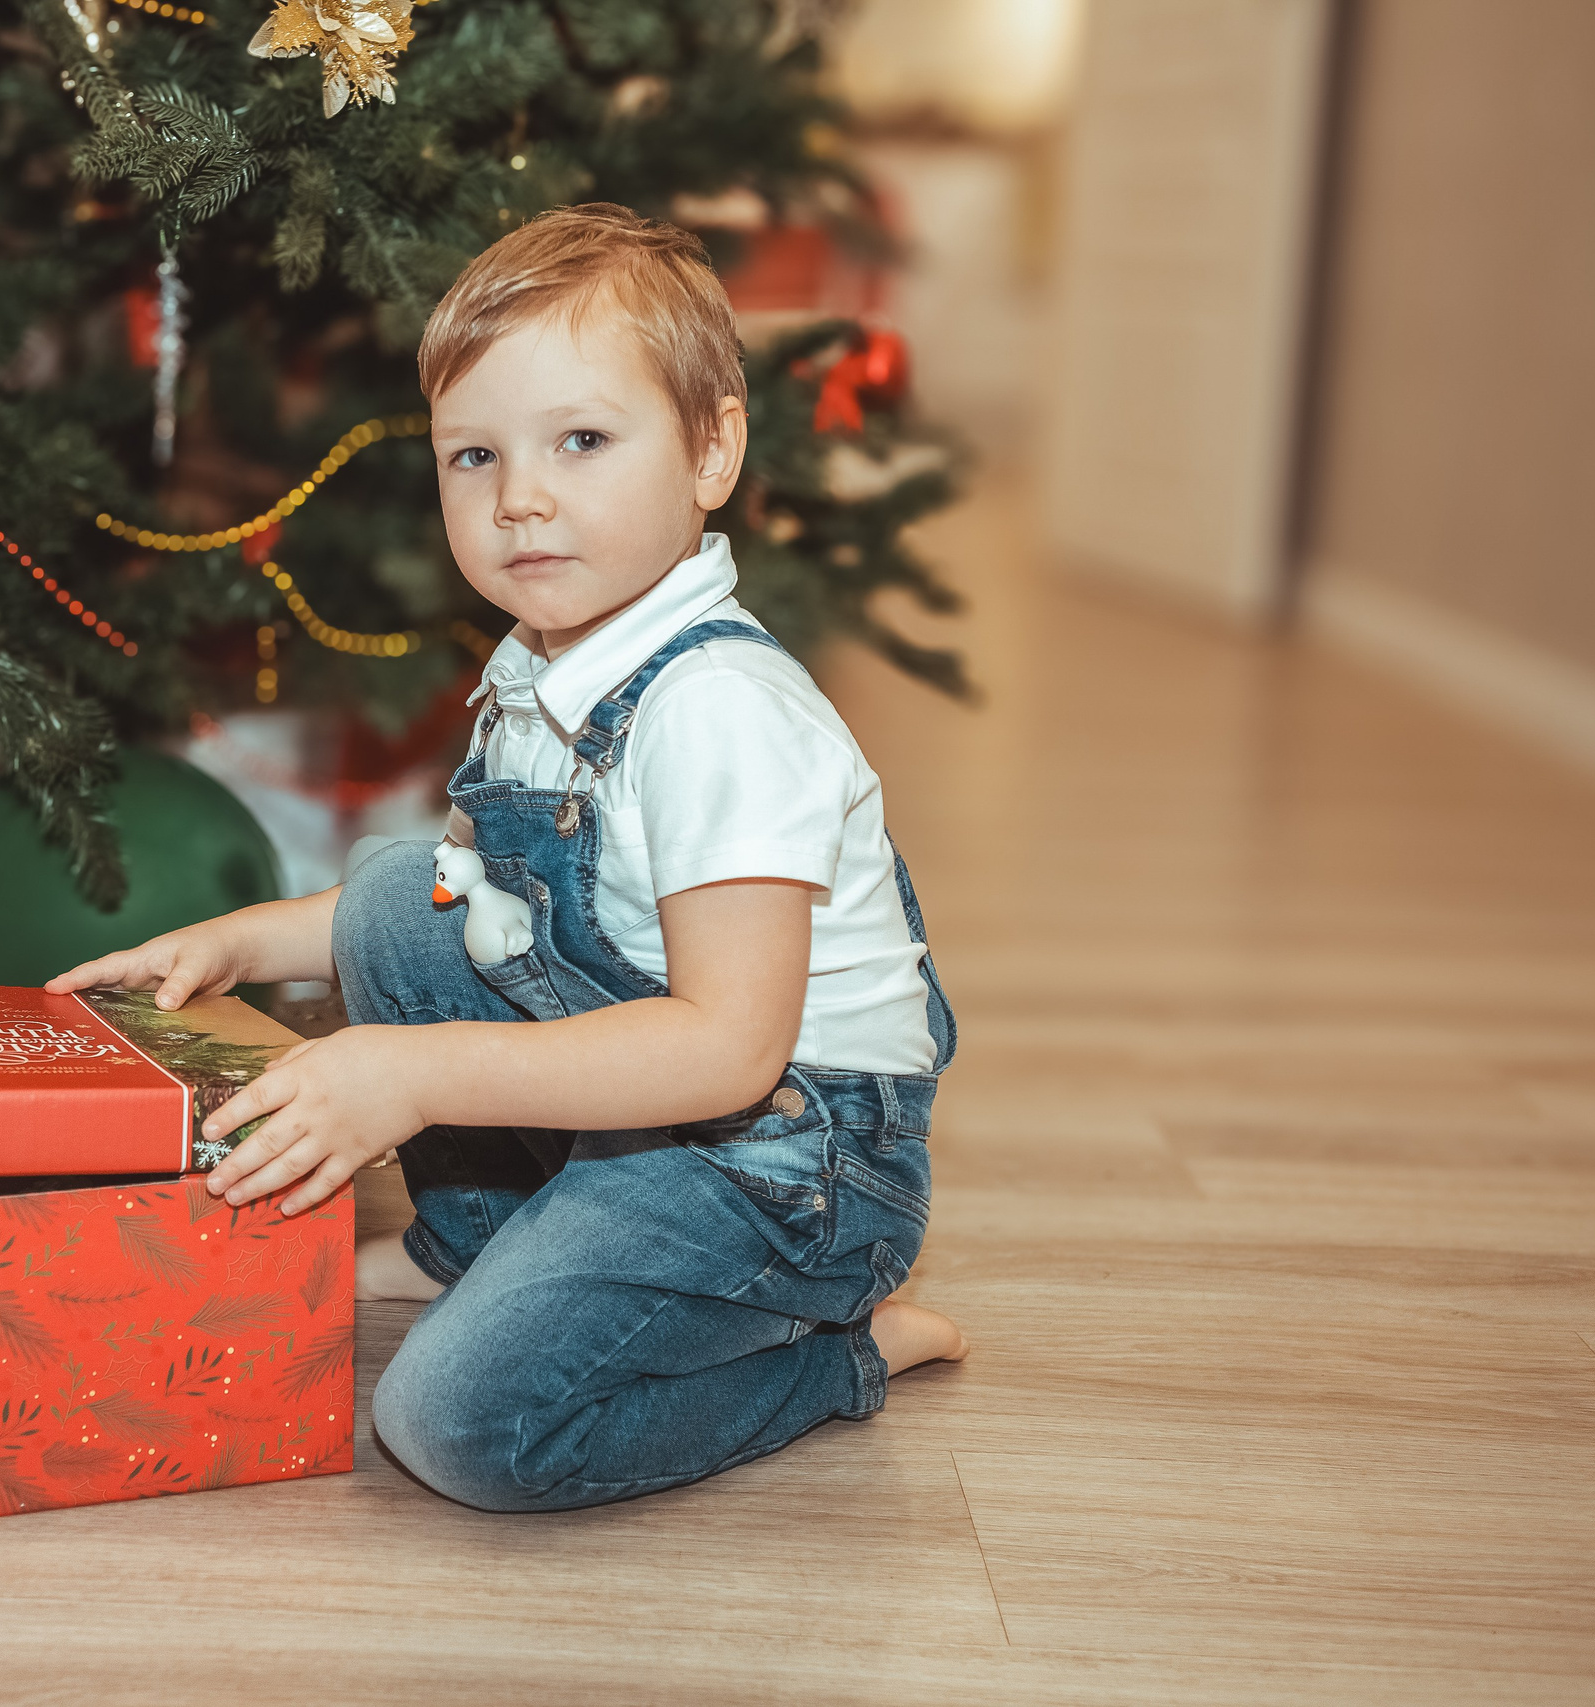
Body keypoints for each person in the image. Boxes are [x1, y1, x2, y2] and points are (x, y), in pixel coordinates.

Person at [47, 203, 965, 1513]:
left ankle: (834, 1360)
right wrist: (247, 940)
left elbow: (728, 1051)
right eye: (473, 456)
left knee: (457, 1427)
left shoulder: (717, 715)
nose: (519, 498)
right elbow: (470, 895)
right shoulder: (544, 661)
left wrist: (413, 1072)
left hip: (790, 1157)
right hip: (652, 1088)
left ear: (713, 450)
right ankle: (475, 1248)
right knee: (390, 898)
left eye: (581, 441)